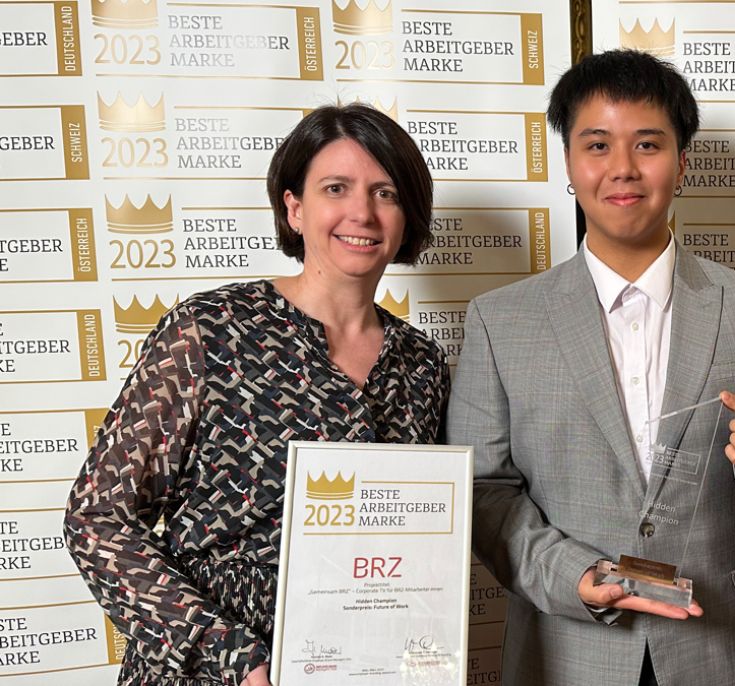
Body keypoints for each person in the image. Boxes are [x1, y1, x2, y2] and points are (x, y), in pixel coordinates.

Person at [447, 50, 735, 686]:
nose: (623, 168)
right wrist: (576, 578)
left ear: (682, 163)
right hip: (565, 652)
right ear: (568, 162)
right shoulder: (499, 321)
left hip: (721, 650)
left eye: (648, 144)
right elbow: (484, 493)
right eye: (597, 145)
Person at [63, 103, 448, 686]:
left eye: (385, 192)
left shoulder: (422, 364)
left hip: (367, 665)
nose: (361, 213)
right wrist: (230, 655)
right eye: (335, 188)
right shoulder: (210, 330)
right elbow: (98, 519)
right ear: (294, 208)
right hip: (215, 669)